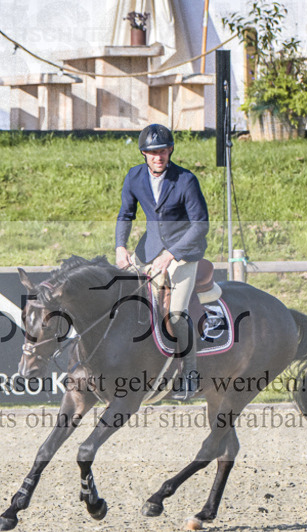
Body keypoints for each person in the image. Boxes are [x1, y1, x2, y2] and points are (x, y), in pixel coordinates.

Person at [116, 124, 210, 400]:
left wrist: (171, 254)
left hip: (183, 253)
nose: (158, 156)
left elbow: (200, 225)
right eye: (152, 152)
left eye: (162, 151)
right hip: (148, 250)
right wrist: (121, 247)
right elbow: (125, 215)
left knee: (176, 313)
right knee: (118, 296)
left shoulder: (186, 180)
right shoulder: (134, 177)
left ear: (170, 151)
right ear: (144, 153)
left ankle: (190, 375)